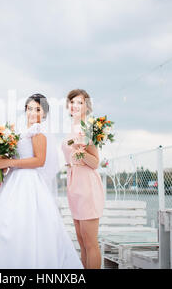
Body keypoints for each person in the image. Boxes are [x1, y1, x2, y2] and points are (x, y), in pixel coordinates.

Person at [0, 93, 82, 269]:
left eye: (37, 109)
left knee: (28, 224)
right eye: (29, 108)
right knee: (6, 225)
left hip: (29, 182)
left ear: (44, 114)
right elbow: (12, 156)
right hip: (12, 181)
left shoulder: (38, 132)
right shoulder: (20, 132)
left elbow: (39, 161)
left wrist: (9, 162)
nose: (32, 112)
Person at [62, 89, 104, 269]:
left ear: (86, 107)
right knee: (81, 241)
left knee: (90, 242)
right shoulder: (71, 129)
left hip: (87, 186)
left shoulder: (90, 129)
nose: (75, 106)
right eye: (72, 102)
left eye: (80, 102)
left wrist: (82, 154)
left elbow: (95, 162)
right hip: (74, 185)